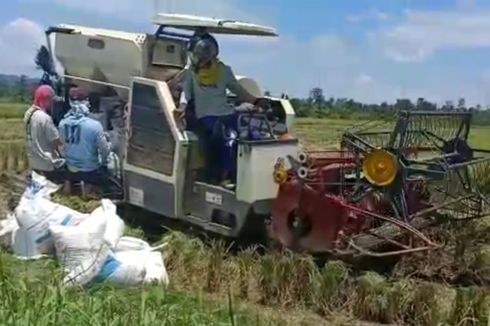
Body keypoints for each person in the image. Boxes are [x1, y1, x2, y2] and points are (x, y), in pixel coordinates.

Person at [175, 32, 268, 187]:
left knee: (252, 133)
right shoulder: (191, 73)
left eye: (204, 56)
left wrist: (256, 100)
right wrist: (182, 107)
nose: (201, 60)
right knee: (226, 138)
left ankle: (252, 173)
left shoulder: (223, 71)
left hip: (226, 113)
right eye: (199, 56)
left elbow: (238, 90)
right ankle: (221, 176)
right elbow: (186, 93)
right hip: (206, 116)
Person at [58, 87, 113, 195]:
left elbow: (62, 147)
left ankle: (68, 189)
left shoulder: (62, 123)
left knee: (70, 170)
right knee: (104, 171)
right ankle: (88, 193)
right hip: (89, 170)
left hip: (70, 167)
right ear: (86, 103)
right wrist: (103, 161)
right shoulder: (95, 125)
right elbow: (104, 150)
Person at [24, 85, 65, 183]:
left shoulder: (28, 113)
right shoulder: (45, 118)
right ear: (46, 99)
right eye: (51, 100)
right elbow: (56, 141)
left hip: (34, 160)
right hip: (46, 163)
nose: (52, 104)